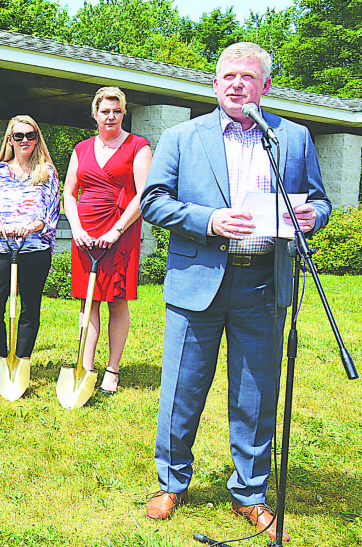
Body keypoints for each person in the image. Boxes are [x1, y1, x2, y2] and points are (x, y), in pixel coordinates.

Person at [141, 42, 330, 541]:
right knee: (182, 390)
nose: (235, 84)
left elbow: (320, 199)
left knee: (255, 394)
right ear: (215, 82)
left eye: (247, 77)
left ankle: (249, 492)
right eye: (227, 76)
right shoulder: (183, 136)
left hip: (263, 282)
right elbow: (153, 201)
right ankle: (171, 482)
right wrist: (209, 220)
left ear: (265, 86)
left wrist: (314, 217)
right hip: (197, 282)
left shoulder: (293, 138)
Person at [62, 86, 151, 394]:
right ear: (95, 114)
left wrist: (117, 230)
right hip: (85, 234)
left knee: (116, 300)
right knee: (89, 301)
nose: (110, 116)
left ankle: (112, 369)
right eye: (105, 111)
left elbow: (144, 195)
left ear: (123, 113)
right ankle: (85, 368)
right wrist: (76, 228)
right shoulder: (81, 148)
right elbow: (69, 194)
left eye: (117, 111)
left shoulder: (138, 146)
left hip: (120, 232)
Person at [0, 115, 60, 376]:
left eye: (30, 135)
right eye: (19, 136)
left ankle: (22, 360)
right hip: (2, 248)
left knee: (29, 306)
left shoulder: (47, 172)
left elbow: (51, 213)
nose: (25, 140)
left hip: (35, 250)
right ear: (10, 140)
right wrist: (0, 226)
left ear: (37, 138)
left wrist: (34, 226)